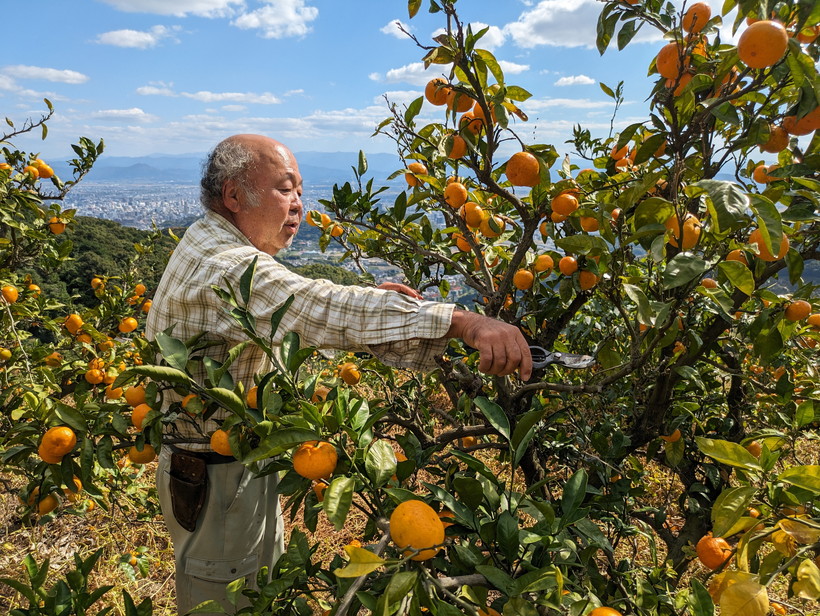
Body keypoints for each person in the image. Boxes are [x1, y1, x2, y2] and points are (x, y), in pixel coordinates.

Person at [144, 134, 532, 614]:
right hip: (218, 481)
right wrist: (462, 321)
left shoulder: (209, 240)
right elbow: (309, 306)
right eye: (286, 189)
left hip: (230, 465)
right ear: (233, 196)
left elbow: (287, 307)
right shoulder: (224, 266)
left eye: (301, 191)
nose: (299, 204)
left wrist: (376, 304)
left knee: (256, 597)